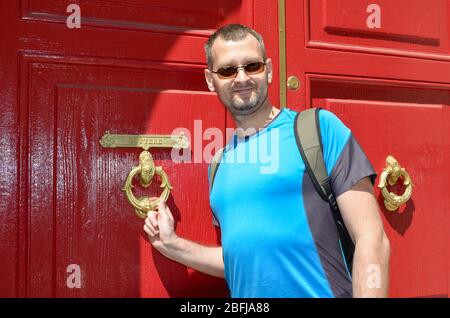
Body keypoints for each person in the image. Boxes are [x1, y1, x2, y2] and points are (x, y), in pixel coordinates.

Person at [143, 24, 390, 298]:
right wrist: (172, 245)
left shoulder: (319, 129)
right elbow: (239, 262)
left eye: (252, 66)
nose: (241, 77)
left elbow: (372, 238)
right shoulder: (218, 166)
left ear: (269, 70)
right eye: (227, 70)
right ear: (210, 80)